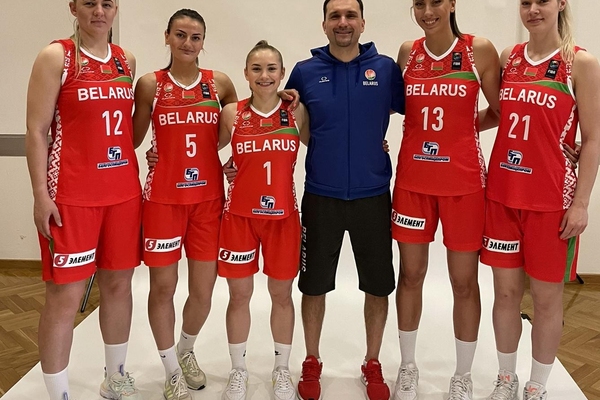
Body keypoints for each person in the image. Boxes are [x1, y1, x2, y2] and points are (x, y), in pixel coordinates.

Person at [481, 1, 600, 399]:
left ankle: (537, 385)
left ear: (561, 3)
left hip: (551, 202)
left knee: (547, 300)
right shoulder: (509, 57)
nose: (533, 9)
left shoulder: (580, 63)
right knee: (505, 295)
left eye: (542, 1)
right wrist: (450, 128)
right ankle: (506, 378)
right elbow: (498, 113)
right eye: (525, 2)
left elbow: (593, 139)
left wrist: (581, 203)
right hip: (502, 195)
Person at [286, 1, 404, 399]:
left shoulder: (385, 68)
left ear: (362, 23)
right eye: (335, 16)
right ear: (324, 24)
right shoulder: (305, 72)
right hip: (322, 195)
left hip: (373, 195)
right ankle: (311, 359)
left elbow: (421, 113)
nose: (343, 22)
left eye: (350, 15)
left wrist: (373, 144)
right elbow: (286, 123)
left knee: (378, 286)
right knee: (313, 285)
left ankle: (373, 362)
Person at [25, 1, 142, 399]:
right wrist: (40, 195)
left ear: (116, 8)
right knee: (64, 296)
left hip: (123, 193)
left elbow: (125, 128)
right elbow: (36, 130)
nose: (99, 11)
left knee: (119, 286)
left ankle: (116, 377)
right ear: (73, 7)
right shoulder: (56, 56)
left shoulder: (126, 59)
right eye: (89, 2)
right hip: (72, 197)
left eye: (107, 3)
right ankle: (58, 394)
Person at [390, 1, 500, 399]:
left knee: (463, 282)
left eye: (435, 1)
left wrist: (461, 129)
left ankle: (463, 375)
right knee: (411, 275)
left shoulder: (478, 49)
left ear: (452, 3)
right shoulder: (408, 52)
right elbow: (392, 108)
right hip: (413, 183)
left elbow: (501, 110)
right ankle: (407, 367)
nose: (427, 11)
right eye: (419, 3)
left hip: (463, 184)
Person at [132, 9, 237, 400]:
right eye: (180, 35)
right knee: (163, 288)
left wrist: (226, 155)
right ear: (167, 37)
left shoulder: (219, 83)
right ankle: (171, 371)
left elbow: (240, 123)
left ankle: (186, 350)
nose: (188, 43)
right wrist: (154, 152)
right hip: (163, 200)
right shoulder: (150, 85)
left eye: (195, 37)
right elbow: (132, 139)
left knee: (204, 291)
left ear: (203, 42)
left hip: (208, 200)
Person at [217, 40, 309, 400]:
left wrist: (376, 144)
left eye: (271, 69)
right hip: (239, 218)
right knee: (239, 296)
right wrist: (159, 154)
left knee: (281, 295)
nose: (264, 75)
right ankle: (238, 371)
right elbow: (206, 150)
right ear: (246, 74)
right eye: (256, 68)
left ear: (282, 73)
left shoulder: (296, 112)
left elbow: (325, 145)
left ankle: (281, 369)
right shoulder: (232, 113)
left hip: (283, 219)